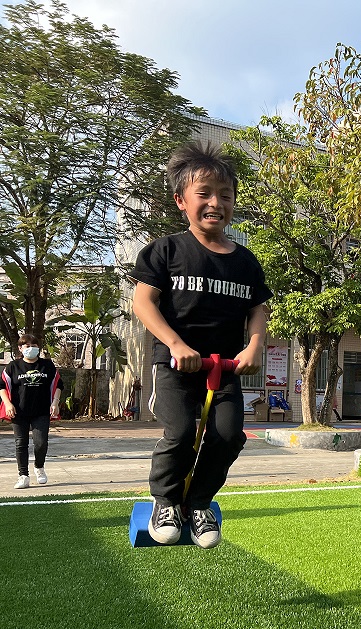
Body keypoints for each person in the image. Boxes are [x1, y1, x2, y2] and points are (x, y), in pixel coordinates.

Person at [129, 141, 272, 549]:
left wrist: (253, 348)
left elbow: (258, 310)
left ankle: (199, 504)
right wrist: (176, 344)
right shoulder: (166, 250)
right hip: (175, 365)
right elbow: (143, 302)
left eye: (225, 195)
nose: (215, 203)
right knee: (180, 432)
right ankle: (165, 501)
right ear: (181, 200)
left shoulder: (245, 262)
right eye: (204, 194)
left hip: (224, 368)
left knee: (228, 435)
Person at [1, 334, 61, 489]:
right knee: (21, 443)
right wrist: (8, 404)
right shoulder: (13, 366)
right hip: (19, 411)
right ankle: (23, 476)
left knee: (41, 443)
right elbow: (2, 387)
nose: (31, 348)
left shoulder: (47, 365)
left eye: (34, 346)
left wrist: (55, 402)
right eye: (27, 346)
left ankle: (39, 467)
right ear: (20, 348)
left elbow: (58, 384)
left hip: (41, 411)